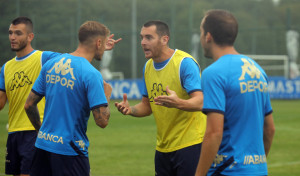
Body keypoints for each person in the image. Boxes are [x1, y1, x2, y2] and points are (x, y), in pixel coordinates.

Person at [24, 21, 121, 176]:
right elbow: (102, 121)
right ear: (98, 42)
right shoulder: (91, 74)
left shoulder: (51, 64)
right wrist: (106, 95)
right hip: (70, 151)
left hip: (42, 146)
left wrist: (42, 131)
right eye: (103, 45)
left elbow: (29, 105)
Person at [115, 20, 206, 176]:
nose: (143, 42)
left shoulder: (184, 63)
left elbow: (201, 101)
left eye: (149, 37)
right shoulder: (148, 67)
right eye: (142, 37)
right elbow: (146, 106)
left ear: (165, 39)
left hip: (191, 145)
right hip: (163, 147)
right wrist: (131, 110)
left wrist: (179, 103)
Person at [195, 9, 275, 176]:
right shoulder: (257, 70)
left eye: (201, 32)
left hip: (227, 170)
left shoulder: (213, 73)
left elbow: (214, 133)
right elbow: (270, 129)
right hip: (258, 170)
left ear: (208, 36)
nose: (201, 38)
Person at [0, 16, 61, 176]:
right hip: (13, 133)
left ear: (30, 36)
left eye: (18, 33)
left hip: (35, 131)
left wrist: (96, 48)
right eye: (10, 33)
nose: (12, 37)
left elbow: (71, 60)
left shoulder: (43, 58)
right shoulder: (5, 68)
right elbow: (0, 102)